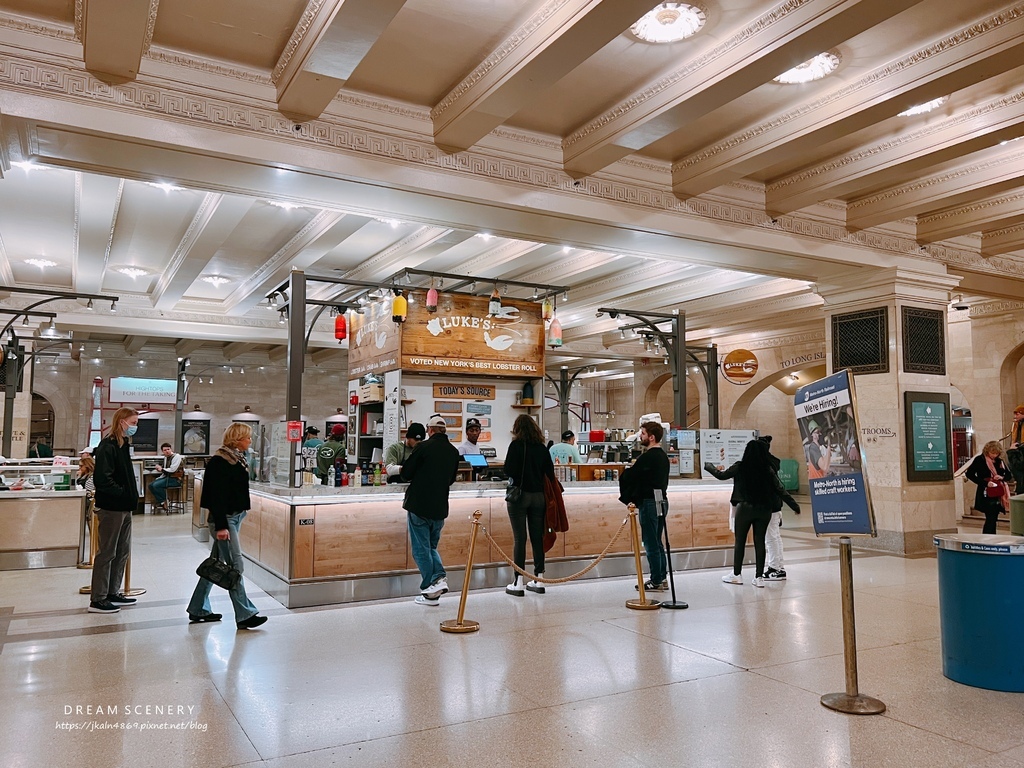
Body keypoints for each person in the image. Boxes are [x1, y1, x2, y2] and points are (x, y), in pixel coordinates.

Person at [187, 423, 267, 629]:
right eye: (247, 437)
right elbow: (216, 497)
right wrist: (222, 526)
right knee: (235, 566)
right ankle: (245, 614)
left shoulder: (238, 459)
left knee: (216, 564)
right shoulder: (220, 462)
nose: (250, 441)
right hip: (225, 520)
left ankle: (198, 608)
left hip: (235, 517)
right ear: (237, 439)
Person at [705, 439, 786, 588]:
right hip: (764, 509)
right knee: (760, 541)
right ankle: (759, 577)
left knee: (740, 541)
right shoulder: (767, 468)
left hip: (745, 508)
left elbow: (721, 475)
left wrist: (709, 467)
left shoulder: (740, 466)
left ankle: (737, 574)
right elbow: (779, 488)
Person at [400, 415, 460, 605]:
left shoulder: (423, 448)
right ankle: (434, 588)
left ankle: (431, 583)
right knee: (431, 547)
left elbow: (406, 473)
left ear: (431, 430)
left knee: (421, 550)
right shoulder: (453, 451)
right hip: (440, 507)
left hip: (419, 505)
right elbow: (450, 479)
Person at [88, 407, 140, 614]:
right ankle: (98, 598)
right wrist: (121, 493)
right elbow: (103, 479)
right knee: (107, 552)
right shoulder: (107, 446)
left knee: (121, 551)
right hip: (112, 507)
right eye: (133, 423)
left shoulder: (123, 445)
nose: (135, 427)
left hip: (124, 507)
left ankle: (112, 591)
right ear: (122, 422)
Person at [503, 414, 556, 596]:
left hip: (520, 496)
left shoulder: (516, 445)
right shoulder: (541, 448)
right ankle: (538, 578)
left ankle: (518, 581)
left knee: (520, 538)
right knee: (537, 538)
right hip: (539, 497)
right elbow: (550, 472)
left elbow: (508, 469)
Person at [619, 421, 670, 592]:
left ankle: (655, 579)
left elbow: (630, 476)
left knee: (649, 542)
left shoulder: (647, 457)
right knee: (657, 541)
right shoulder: (663, 456)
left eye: (642, 433)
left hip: (649, 502)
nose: (640, 436)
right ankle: (662, 577)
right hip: (662, 500)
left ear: (651, 437)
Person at [757, 436, 800, 581]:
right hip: (774, 506)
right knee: (775, 537)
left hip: (770, 507)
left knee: (771, 538)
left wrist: (794, 505)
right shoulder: (772, 462)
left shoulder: (765, 466)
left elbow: (779, 488)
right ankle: (779, 566)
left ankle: (775, 568)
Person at [965, 440, 1014, 535]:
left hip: (998, 492)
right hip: (986, 492)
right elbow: (970, 474)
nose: (994, 455)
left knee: (993, 517)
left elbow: (1009, 475)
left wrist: (1001, 477)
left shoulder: (1000, 461)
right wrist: (985, 483)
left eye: (996, 453)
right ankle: (988, 538)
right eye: (992, 453)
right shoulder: (980, 460)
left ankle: (991, 537)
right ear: (987, 451)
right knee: (990, 517)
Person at [149, 442, 183, 511]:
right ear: (162, 451)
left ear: (171, 449)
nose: (167, 451)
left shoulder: (176, 457)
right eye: (165, 450)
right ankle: (163, 501)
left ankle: (165, 501)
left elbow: (172, 470)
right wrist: (160, 472)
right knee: (151, 485)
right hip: (167, 478)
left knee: (156, 485)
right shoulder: (166, 458)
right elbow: (165, 470)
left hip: (176, 479)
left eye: (168, 449)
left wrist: (162, 469)